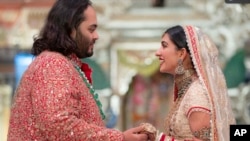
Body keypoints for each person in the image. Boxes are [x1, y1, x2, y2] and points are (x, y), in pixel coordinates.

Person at [7, 0, 149, 140]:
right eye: (91, 29)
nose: (96, 36)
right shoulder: (52, 64)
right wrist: (120, 137)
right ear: (71, 29)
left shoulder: (62, 63)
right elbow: (59, 126)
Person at [150, 25, 236, 141]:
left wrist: (158, 138)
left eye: (164, 46)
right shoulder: (189, 90)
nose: (157, 52)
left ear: (181, 54)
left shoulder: (197, 93)